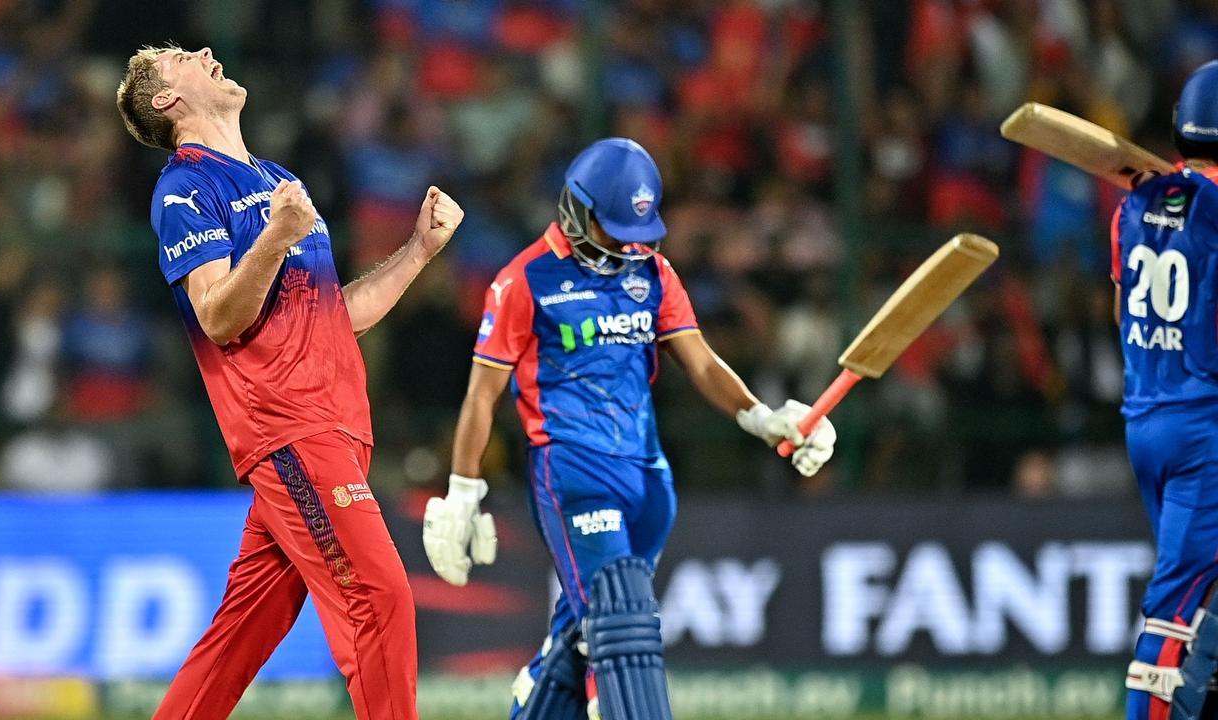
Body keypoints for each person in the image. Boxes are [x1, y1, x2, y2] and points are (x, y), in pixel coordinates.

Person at [422, 138, 836, 720]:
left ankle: (537, 695)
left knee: (587, 628)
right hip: (571, 471)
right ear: (577, 208)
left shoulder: (653, 271)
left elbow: (701, 362)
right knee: (618, 626)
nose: (625, 242)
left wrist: (765, 418)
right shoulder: (524, 280)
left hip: (647, 475)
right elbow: (482, 394)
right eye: (614, 227)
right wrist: (463, 492)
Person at [116, 44, 463, 720]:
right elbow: (217, 316)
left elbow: (338, 317)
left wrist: (418, 250)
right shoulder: (186, 188)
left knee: (240, 637)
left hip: (336, 425)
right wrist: (274, 238)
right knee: (379, 594)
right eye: (186, 56)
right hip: (291, 432)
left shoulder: (276, 178)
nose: (208, 52)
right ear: (166, 100)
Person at [1113, 60, 1218, 720]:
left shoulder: (1132, 206)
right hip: (1208, 429)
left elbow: (1119, 309)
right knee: (1178, 611)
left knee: (1208, 605)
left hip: (1147, 415)